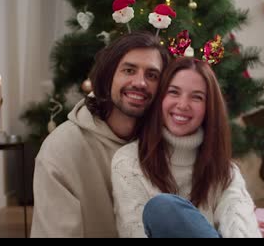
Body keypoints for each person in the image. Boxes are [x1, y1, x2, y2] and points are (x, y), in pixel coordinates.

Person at [31, 31, 171, 237]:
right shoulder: (62, 148)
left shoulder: (166, 143)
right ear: (108, 76)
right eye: (129, 70)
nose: (140, 82)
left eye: (152, 75)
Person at [111, 56, 262, 238]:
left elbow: (244, 231)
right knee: (163, 208)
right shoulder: (128, 163)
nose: (182, 105)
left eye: (196, 97)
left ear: (208, 108)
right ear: (161, 99)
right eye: (174, 92)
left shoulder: (225, 172)